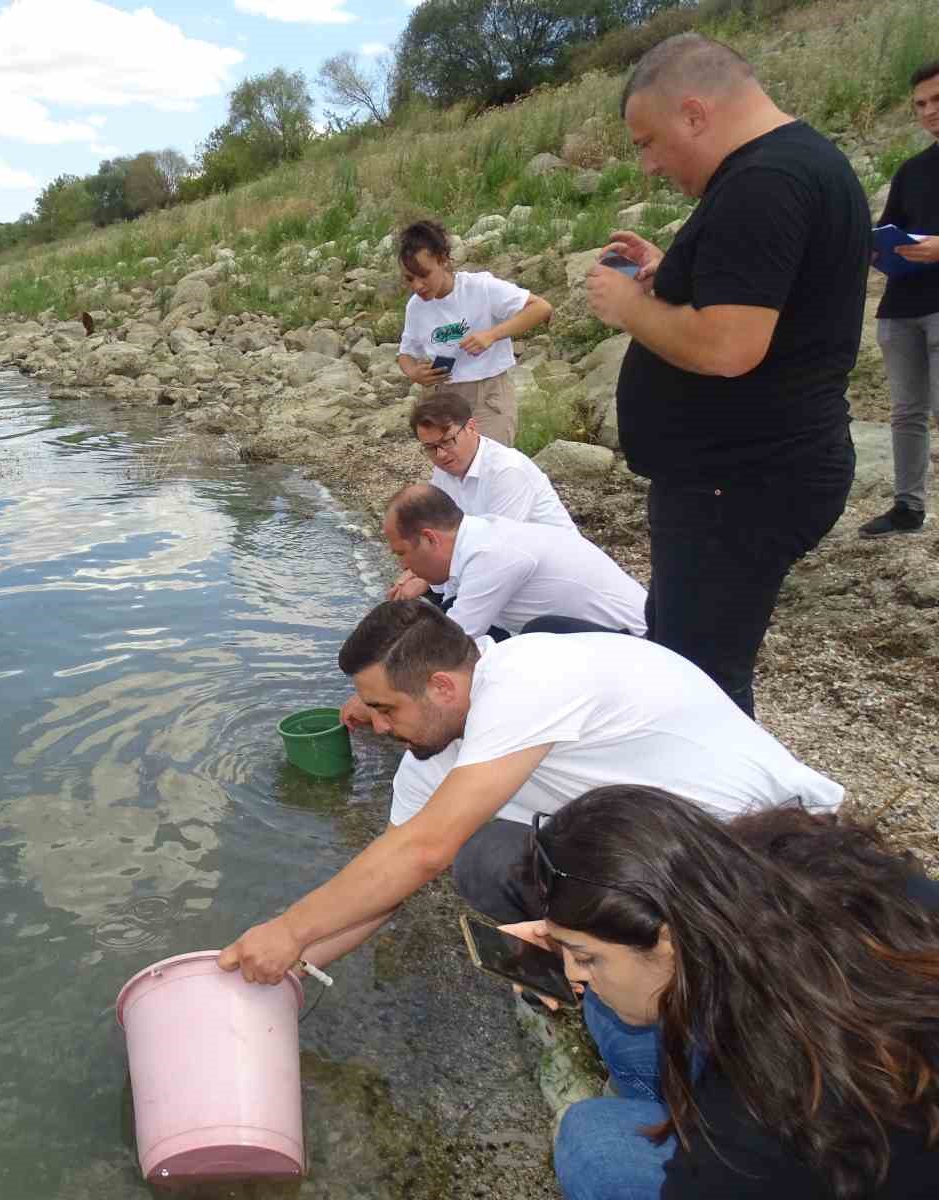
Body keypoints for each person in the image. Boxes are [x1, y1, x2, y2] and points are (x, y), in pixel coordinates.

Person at [221, 600, 841, 974]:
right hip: (660, 842)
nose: (376, 728)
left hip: (769, 843)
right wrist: (290, 971)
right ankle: (598, 966)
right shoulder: (433, 752)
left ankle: (649, 973)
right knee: (487, 856)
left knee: (475, 854)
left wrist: (290, 928)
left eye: (386, 709)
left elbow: (425, 850)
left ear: (441, 687)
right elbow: (387, 883)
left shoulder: (526, 679)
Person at [585, 34, 869, 718]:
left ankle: (728, 822)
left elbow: (729, 347)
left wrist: (629, 307)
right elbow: (758, 291)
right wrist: (671, 268)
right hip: (743, 477)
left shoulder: (764, 183)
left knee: (698, 688)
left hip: (740, 484)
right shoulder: (793, 165)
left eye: (649, 142)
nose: (650, 165)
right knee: (687, 657)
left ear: (693, 113)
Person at [508, 787, 939, 1199]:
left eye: (585, 958)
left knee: (595, 1146)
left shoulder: (764, 1108)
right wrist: (571, 936)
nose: (575, 973)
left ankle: (665, 1119)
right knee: (611, 1013)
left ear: (668, 939)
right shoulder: (782, 866)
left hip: (844, 1153)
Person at [378, 484, 645, 639]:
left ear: (429, 539)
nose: (403, 567)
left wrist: (375, 698)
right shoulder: (480, 536)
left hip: (638, 643)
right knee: (449, 613)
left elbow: (451, 642)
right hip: (602, 633)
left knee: (537, 634)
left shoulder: (490, 554)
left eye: (401, 553)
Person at [388, 394, 577, 602]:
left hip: (549, 579)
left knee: (442, 620)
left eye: (448, 441)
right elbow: (440, 533)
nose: (441, 455)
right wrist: (418, 570)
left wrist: (428, 581)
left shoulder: (507, 471)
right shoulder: (445, 468)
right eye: (430, 448)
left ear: (471, 427)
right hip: (494, 564)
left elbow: (495, 552)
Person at [861, 60, 939, 537]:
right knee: (907, 411)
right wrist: (875, 249)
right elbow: (887, 229)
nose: (929, 112)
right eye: (921, 105)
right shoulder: (912, 170)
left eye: (937, 101)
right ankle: (908, 508)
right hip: (901, 306)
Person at [397, 219, 554, 447]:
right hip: (442, 396)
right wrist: (414, 373)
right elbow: (406, 353)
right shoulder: (415, 307)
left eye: (424, 275)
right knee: (450, 470)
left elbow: (541, 308)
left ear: (443, 260)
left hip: (487, 394)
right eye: (410, 278)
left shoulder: (481, 288)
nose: (418, 286)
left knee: (489, 466)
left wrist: (492, 334)